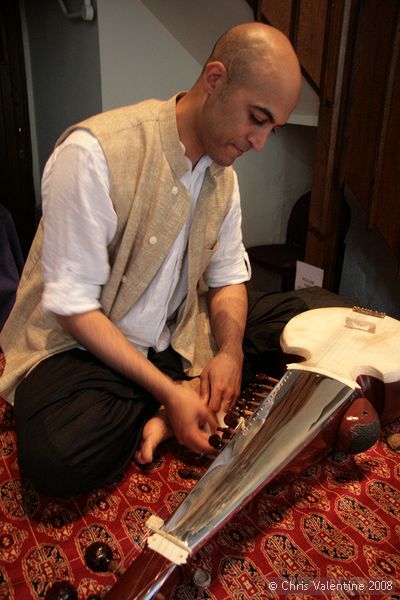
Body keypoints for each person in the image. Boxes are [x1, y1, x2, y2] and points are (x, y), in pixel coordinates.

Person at [0, 22, 303, 497]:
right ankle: (174, 394)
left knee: (305, 313)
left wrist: (228, 353)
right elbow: (74, 308)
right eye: (257, 118)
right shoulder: (94, 152)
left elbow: (226, 279)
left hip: (173, 331)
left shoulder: (224, 177)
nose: (259, 143)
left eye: (272, 128)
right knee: (56, 458)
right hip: (83, 344)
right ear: (215, 79)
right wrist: (170, 394)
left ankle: (176, 391)